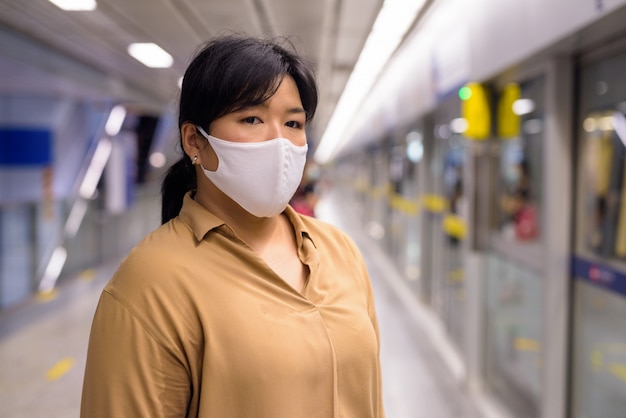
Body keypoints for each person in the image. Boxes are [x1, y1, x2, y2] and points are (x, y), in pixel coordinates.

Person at [81, 34, 385, 418]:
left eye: (293, 122)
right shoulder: (149, 283)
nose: (279, 141)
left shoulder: (340, 252)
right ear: (195, 140)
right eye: (252, 119)